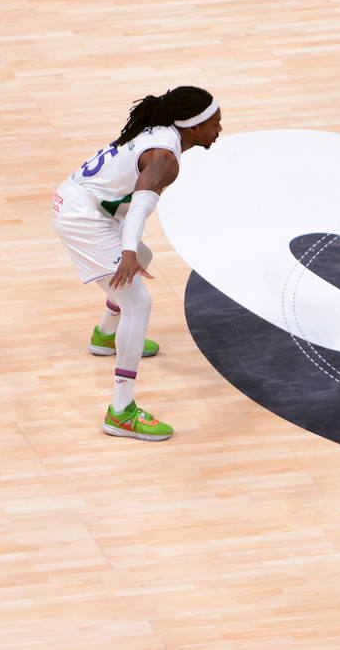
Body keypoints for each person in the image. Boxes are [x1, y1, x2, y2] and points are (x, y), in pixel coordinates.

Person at [51, 86, 223, 440]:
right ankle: (121, 413)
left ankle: (105, 336)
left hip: (85, 203)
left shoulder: (161, 132)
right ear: (192, 127)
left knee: (144, 258)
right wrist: (126, 253)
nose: (219, 129)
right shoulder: (165, 159)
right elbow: (141, 208)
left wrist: (134, 253)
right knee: (139, 302)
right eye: (214, 123)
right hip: (84, 216)